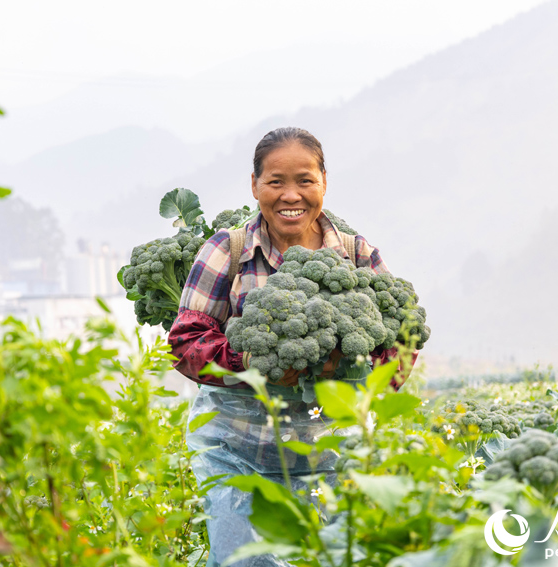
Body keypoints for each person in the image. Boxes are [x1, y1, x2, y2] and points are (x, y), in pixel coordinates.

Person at [167, 127, 414, 567]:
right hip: (234, 453)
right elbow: (187, 341)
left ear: (324, 182)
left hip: (328, 459)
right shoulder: (228, 250)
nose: (290, 195)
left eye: (305, 180)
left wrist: (345, 369)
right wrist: (252, 364)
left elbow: (401, 344)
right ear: (254, 185)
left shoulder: (359, 258)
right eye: (275, 182)